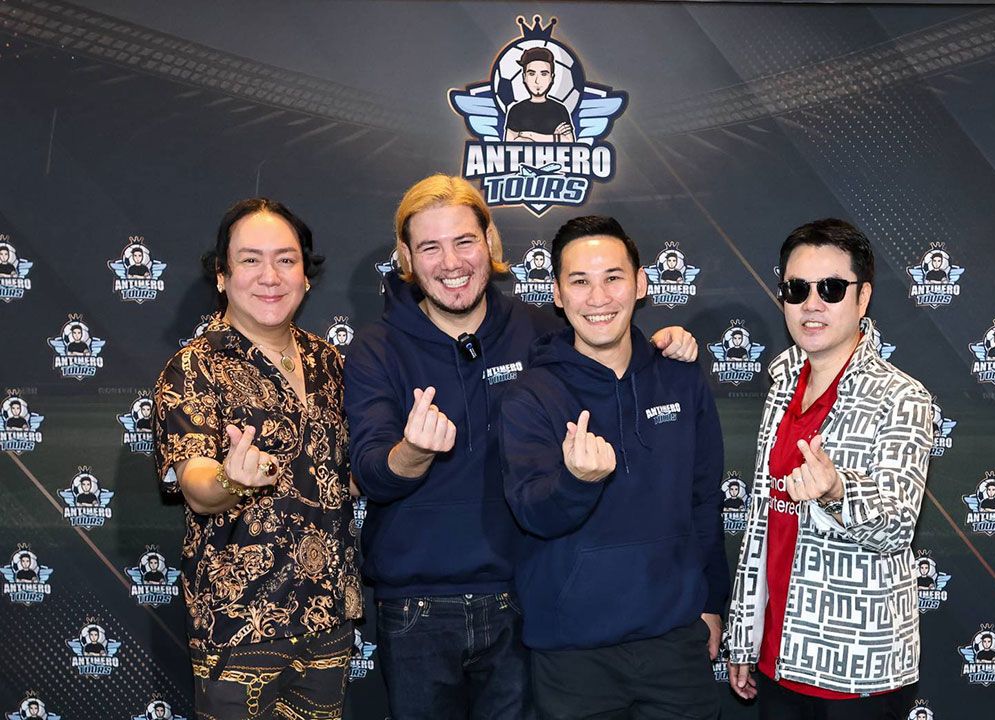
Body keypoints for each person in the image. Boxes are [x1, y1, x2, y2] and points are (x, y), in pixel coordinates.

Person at [344, 175, 698, 720]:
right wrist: (413, 451)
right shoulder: (376, 348)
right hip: (416, 610)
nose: (451, 262)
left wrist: (662, 344)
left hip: (519, 600)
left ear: (491, 242)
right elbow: (370, 472)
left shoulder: (538, 330)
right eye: (430, 247)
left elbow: (607, 351)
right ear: (406, 257)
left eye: (464, 241)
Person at [499, 215, 727, 719]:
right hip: (573, 655)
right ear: (557, 294)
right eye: (580, 281)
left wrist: (713, 602)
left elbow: (705, 500)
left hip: (675, 643)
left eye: (613, 277)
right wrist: (576, 483)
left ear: (641, 284)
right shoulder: (530, 396)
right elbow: (532, 513)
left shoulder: (680, 378)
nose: (598, 298)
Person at [153, 197, 361, 720]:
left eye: (286, 259)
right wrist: (231, 480)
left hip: (328, 619)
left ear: (306, 276)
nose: (271, 276)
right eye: (250, 260)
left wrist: (407, 455)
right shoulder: (193, 367)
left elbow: (347, 477)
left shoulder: (328, 361)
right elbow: (198, 485)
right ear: (222, 276)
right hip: (239, 627)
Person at [726, 218, 932, 718]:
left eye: (832, 289)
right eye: (797, 289)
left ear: (863, 298)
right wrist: (745, 635)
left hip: (855, 672)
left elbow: (898, 527)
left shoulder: (901, 396)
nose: (812, 304)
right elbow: (762, 526)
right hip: (776, 658)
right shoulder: (782, 383)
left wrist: (839, 492)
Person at [504, 47, 574, 143]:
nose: (537, 81)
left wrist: (530, 135)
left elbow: (570, 144)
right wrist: (554, 138)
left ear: (552, 77)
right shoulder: (516, 110)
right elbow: (509, 145)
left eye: (544, 74)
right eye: (531, 74)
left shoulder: (560, 109)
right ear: (524, 77)